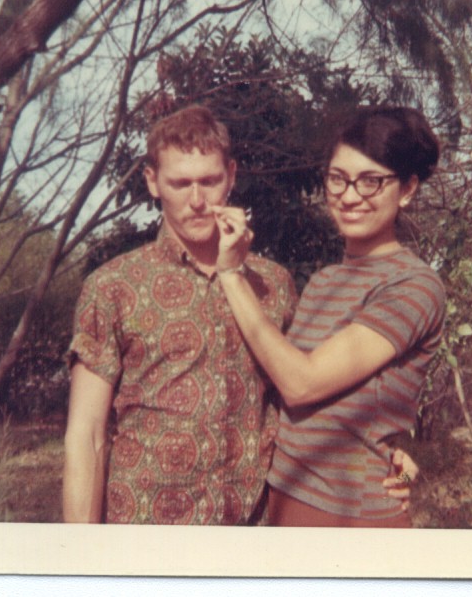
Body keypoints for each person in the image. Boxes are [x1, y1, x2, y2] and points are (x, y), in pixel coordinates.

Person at [62, 104, 416, 525]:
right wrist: (82, 558)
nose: (197, 201)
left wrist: (385, 452)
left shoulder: (273, 283)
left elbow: (309, 389)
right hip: (146, 532)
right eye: (180, 183)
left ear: (231, 175)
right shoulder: (113, 286)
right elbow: (86, 437)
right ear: (153, 182)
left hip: (253, 535)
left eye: (210, 181)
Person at [214, 105, 445, 527]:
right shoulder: (324, 281)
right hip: (283, 499)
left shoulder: (413, 286)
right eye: (338, 178)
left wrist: (229, 273)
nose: (350, 195)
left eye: (371, 180)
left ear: (408, 189)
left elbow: (301, 383)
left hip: (345, 515)